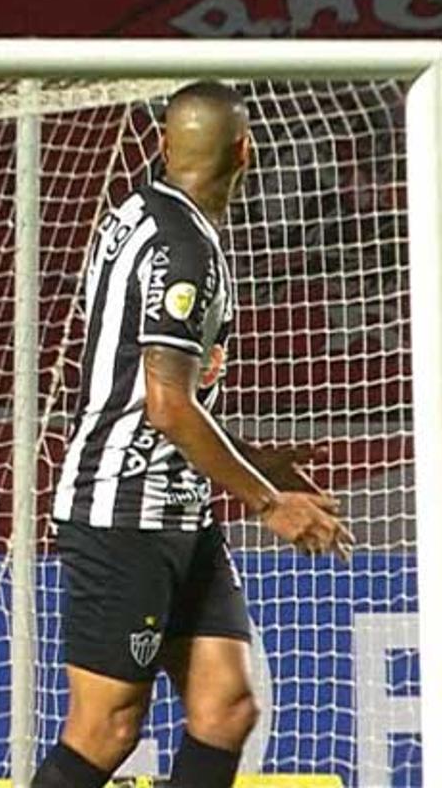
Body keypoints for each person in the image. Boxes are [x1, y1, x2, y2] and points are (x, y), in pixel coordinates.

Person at [38, 81, 351, 788]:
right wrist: (270, 500)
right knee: (107, 728)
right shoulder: (187, 252)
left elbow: (148, 391)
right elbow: (166, 406)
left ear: (162, 147)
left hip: (177, 504)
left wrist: (247, 457)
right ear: (248, 150)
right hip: (123, 509)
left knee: (226, 708)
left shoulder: (138, 214)